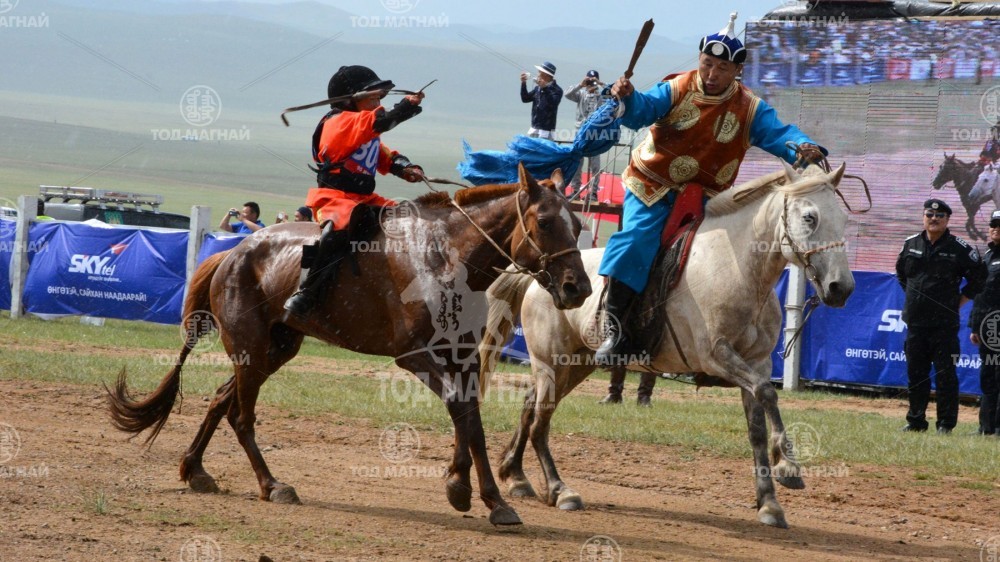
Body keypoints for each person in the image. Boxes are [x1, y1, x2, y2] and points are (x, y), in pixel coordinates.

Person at [594, 12, 826, 365]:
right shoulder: (677, 87)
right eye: (706, 64)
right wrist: (627, 96)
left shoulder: (750, 109)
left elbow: (783, 135)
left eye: (721, 68)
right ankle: (615, 330)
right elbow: (642, 109)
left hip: (706, 197)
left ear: (737, 72)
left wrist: (805, 148)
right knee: (637, 240)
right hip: (651, 185)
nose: (711, 74)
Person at [284, 65, 425, 317]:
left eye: (380, 97)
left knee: (408, 217)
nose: (378, 101)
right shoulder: (341, 123)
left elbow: (385, 157)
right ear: (352, 98)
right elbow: (382, 121)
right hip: (335, 199)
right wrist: (406, 105)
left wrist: (406, 168)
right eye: (373, 96)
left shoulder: (364, 130)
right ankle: (306, 292)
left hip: (365, 197)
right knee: (339, 229)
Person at [896, 199, 986, 434]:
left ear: (947, 220)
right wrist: (916, 297)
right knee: (916, 374)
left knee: (946, 375)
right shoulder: (910, 244)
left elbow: (979, 278)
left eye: (939, 216)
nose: (933, 219)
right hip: (915, 323)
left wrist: (959, 301)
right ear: (923, 217)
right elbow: (902, 275)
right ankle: (916, 421)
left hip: (944, 325)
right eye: (929, 215)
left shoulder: (959, 248)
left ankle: (945, 424)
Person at [968, 209, 1000, 436]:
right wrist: (975, 326)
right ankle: (985, 427)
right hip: (988, 328)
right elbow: (979, 294)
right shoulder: (986, 256)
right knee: (987, 376)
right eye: (993, 224)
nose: (996, 228)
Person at [564, 69, 606, 200]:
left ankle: (593, 192)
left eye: (593, 80)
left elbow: (614, 95)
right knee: (577, 162)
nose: (590, 83)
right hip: (580, 133)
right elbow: (567, 94)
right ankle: (575, 190)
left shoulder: (601, 96)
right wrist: (581, 85)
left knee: (595, 165)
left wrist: (601, 84)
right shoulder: (580, 94)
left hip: (595, 134)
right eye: (589, 80)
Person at [520, 61, 563, 140]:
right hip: (534, 128)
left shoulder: (557, 90)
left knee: (543, 151)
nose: (538, 74)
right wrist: (523, 83)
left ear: (546, 75)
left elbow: (553, 104)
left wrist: (545, 88)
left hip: (546, 131)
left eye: (540, 72)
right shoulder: (538, 88)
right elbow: (525, 99)